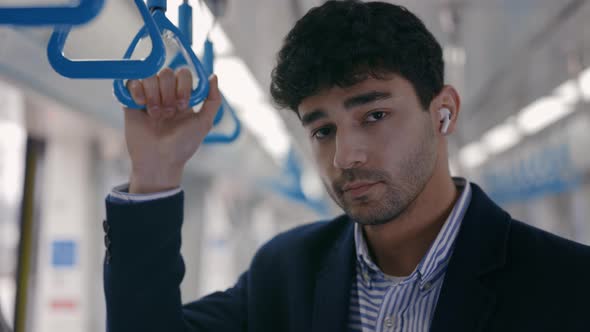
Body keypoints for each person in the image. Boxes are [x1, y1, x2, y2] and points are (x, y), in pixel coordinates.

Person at [102, 1, 590, 331]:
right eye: (323, 130)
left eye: (374, 115)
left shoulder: (566, 285)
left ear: (443, 111)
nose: (345, 156)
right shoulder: (286, 272)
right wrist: (155, 176)